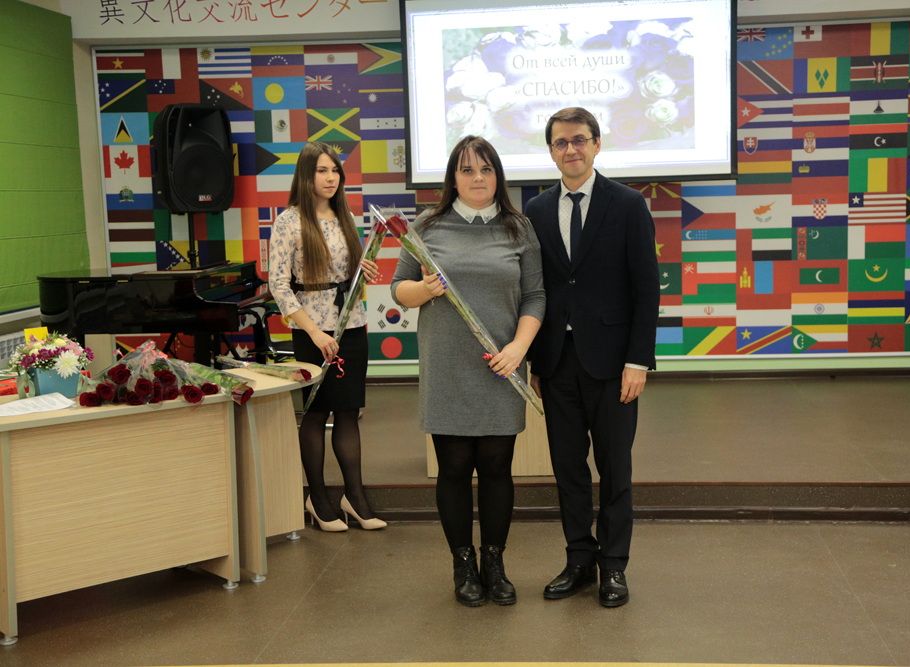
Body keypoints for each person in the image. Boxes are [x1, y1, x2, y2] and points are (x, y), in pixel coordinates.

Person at [391, 135, 545, 607]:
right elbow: (399, 289)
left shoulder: (518, 227)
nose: (478, 178)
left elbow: (535, 296)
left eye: (486, 169)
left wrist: (518, 348)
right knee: (454, 467)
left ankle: (494, 562)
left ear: (498, 175)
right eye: (467, 170)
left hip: (501, 367)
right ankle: (463, 564)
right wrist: (426, 290)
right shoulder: (427, 225)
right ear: (452, 178)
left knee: (497, 467)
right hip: (448, 367)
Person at [524, 107, 658, 607]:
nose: (571, 149)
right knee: (568, 470)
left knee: (615, 469)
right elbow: (536, 289)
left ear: (597, 144)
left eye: (579, 140)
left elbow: (646, 288)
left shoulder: (628, 204)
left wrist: (638, 361)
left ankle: (614, 566)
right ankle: (579, 559)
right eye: (561, 142)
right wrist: (536, 362)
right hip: (557, 362)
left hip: (614, 364)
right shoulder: (536, 210)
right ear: (551, 151)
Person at [270, 141, 386, 532]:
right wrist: (315, 332)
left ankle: (355, 498)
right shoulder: (288, 221)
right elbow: (278, 285)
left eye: (335, 170)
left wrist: (364, 272)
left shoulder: (345, 216)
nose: (331, 177)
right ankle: (317, 499)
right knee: (317, 413)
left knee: (349, 411)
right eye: (322, 170)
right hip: (312, 332)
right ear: (306, 175)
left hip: (351, 324)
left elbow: (349, 274)